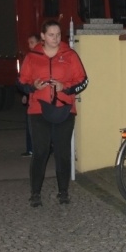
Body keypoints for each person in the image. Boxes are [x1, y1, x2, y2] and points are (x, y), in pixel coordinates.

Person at [18, 21, 88, 207]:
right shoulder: (32, 57)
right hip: (38, 111)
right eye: (51, 34)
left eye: (58, 34)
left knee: (62, 153)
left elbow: (83, 81)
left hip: (64, 110)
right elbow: (21, 82)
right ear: (42, 36)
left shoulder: (70, 55)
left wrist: (64, 87)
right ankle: (35, 193)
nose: (55, 38)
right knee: (40, 152)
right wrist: (33, 86)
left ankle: (63, 192)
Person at [19, 33, 41, 157]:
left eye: (32, 42)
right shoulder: (30, 58)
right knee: (29, 125)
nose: (29, 45)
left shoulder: (40, 58)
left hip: (39, 98)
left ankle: (36, 149)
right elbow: (25, 79)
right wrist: (25, 93)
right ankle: (31, 149)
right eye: (28, 43)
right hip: (31, 95)